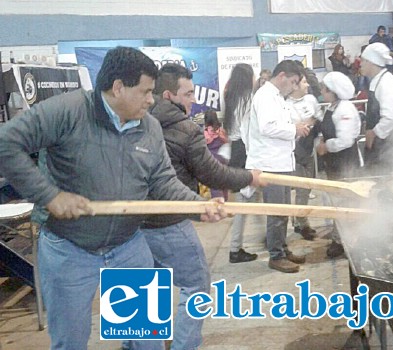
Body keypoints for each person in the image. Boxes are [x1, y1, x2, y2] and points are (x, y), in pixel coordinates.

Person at [0, 47, 227, 350]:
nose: (152, 99)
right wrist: (49, 195)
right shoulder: (67, 111)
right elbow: (6, 144)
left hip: (128, 247)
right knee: (70, 342)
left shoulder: (150, 127)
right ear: (118, 87)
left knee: (146, 340)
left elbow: (162, 181)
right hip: (70, 249)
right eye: (146, 91)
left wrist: (197, 207)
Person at [138, 63, 260, 350]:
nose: (193, 100)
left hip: (130, 226)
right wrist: (250, 177)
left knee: (145, 289)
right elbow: (212, 173)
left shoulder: (134, 121)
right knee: (196, 286)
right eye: (189, 93)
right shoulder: (183, 129)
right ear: (169, 95)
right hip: (167, 222)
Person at [242, 60, 311, 273]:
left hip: (279, 161)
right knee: (276, 213)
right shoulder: (265, 96)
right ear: (281, 76)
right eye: (292, 82)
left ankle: (282, 247)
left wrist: (296, 128)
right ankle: (276, 255)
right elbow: (267, 127)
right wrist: (294, 129)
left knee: (283, 211)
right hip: (269, 163)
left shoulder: (277, 97)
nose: (293, 87)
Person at [316, 72, 361, 258]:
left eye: (324, 89)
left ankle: (347, 242)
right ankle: (339, 236)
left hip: (345, 164)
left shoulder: (345, 110)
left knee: (346, 203)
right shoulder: (332, 108)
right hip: (333, 164)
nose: (321, 92)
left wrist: (327, 146)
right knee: (338, 202)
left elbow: (345, 140)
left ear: (332, 91)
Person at [223, 63, 262, 264]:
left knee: (248, 200)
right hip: (245, 151)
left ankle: (259, 238)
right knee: (243, 202)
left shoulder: (230, 97)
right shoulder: (248, 99)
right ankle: (235, 249)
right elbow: (249, 132)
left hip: (236, 150)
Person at [360, 43, 393, 175]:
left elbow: (392, 117)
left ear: (372, 62)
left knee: (387, 182)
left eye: (363, 60)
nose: (360, 64)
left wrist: (374, 133)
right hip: (380, 144)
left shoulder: (387, 84)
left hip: (388, 145)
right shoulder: (379, 81)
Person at [288, 73, 322, 240]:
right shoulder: (284, 104)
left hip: (310, 149)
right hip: (294, 151)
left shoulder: (311, 100)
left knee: (307, 188)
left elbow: (319, 117)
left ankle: (298, 219)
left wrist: (311, 122)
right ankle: (302, 223)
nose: (307, 85)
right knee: (301, 188)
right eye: (303, 82)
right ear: (294, 85)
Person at [203, 109, 229, 198]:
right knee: (224, 181)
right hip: (222, 158)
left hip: (212, 160)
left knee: (215, 183)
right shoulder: (221, 131)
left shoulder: (205, 133)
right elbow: (226, 141)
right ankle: (225, 200)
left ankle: (218, 200)